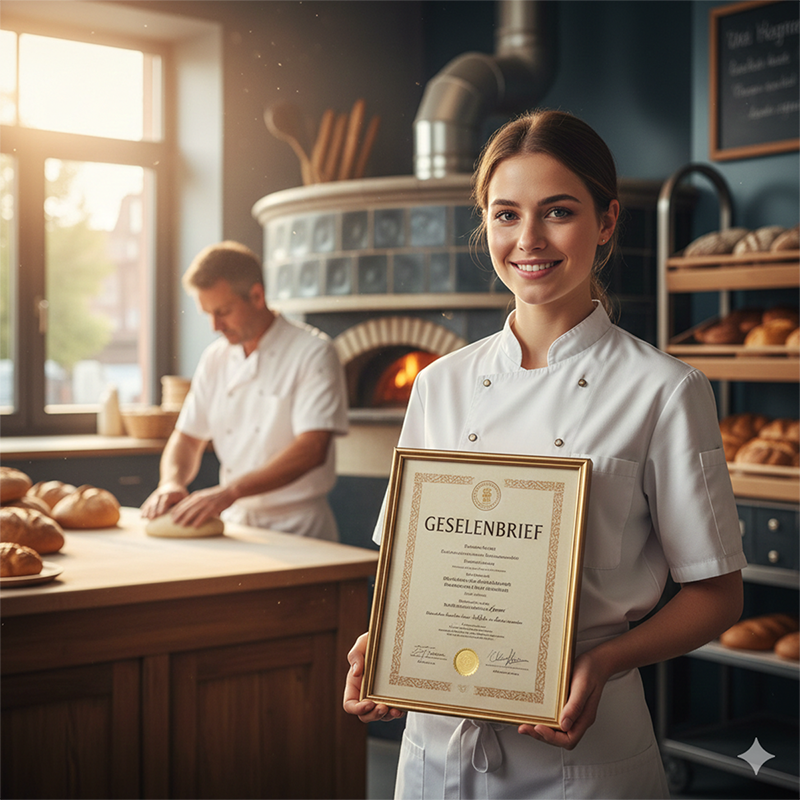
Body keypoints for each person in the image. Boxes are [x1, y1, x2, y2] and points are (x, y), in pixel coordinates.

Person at [342, 110, 745, 797]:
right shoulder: (439, 384)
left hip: (580, 755)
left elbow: (716, 593)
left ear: (608, 220)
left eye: (558, 212)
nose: (528, 240)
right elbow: (410, 563)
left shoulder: (667, 390)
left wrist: (607, 660)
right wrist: (381, 644)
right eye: (506, 215)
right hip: (436, 753)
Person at [141, 240, 348, 541]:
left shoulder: (314, 353)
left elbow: (312, 449)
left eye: (223, 311)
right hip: (236, 523)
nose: (214, 326)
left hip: (299, 527)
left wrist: (230, 492)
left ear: (257, 295)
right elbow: (187, 437)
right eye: (207, 313)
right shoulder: (216, 358)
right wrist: (171, 482)